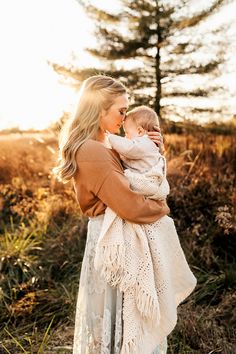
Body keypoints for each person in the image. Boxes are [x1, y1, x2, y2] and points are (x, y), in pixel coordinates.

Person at [53, 75, 170, 354]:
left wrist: (155, 152)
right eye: (121, 110)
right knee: (116, 320)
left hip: (116, 240)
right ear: (99, 109)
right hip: (112, 244)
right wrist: (162, 206)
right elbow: (131, 205)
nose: (125, 116)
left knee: (122, 320)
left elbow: (139, 176)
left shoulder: (105, 143)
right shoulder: (92, 150)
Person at [94, 106, 197, 353]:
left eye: (127, 130)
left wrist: (105, 137)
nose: (124, 133)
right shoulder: (146, 144)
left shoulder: (142, 143)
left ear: (139, 131)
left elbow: (127, 150)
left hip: (145, 193)